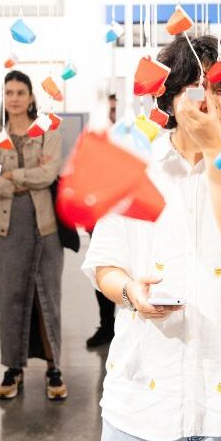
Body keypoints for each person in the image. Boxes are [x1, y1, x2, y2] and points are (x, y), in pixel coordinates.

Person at [84, 35, 221, 441]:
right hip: (146, 395)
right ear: (170, 98)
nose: (208, 101)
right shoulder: (131, 166)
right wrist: (130, 293)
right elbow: (105, 264)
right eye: (196, 87)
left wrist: (216, 152)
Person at [0, 71, 67, 401]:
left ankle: (53, 367)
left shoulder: (48, 131)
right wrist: (21, 179)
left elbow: (49, 174)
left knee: (47, 297)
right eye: (9, 92)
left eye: (21, 92)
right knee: (10, 298)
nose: (15, 98)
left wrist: (12, 175)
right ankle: (12, 368)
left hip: (44, 226)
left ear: (32, 97)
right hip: (4, 228)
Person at [85, 93, 120, 349]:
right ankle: (107, 325)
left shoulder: (143, 135)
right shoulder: (98, 139)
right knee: (104, 267)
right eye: (110, 110)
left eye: (116, 109)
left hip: (136, 212)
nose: (113, 114)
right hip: (104, 213)